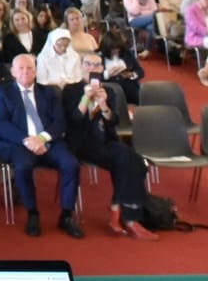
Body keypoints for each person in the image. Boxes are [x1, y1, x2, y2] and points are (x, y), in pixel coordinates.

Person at [0, 54, 84, 238]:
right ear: (13, 72)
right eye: (21, 68)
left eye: (30, 68)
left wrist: (42, 138)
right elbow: (2, 124)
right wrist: (28, 140)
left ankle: (66, 215)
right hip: (19, 143)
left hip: (48, 140)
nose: (25, 72)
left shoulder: (49, 92)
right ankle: (32, 213)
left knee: (71, 164)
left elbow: (60, 121)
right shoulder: (4, 92)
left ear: (36, 71)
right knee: (23, 167)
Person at [63, 76, 156, 241]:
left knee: (135, 159)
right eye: (88, 64)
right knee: (127, 162)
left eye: (97, 65)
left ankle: (117, 207)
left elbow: (113, 122)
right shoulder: (71, 90)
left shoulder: (109, 92)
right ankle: (128, 217)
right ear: (81, 68)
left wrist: (103, 104)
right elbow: (74, 119)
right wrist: (86, 98)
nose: (92, 68)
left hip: (105, 139)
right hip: (82, 143)